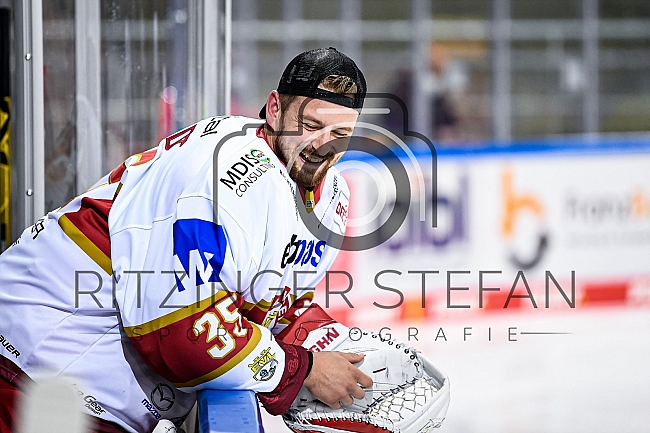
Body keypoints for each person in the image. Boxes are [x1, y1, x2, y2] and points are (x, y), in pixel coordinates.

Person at [0, 47, 372, 433]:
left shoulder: (330, 194)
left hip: (83, 389)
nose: (322, 146)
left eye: (340, 134)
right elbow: (182, 328)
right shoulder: (227, 174)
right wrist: (301, 370)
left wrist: (337, 349)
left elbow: (273, 305)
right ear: (275, 109)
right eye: (310, 125)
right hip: (28, 368)